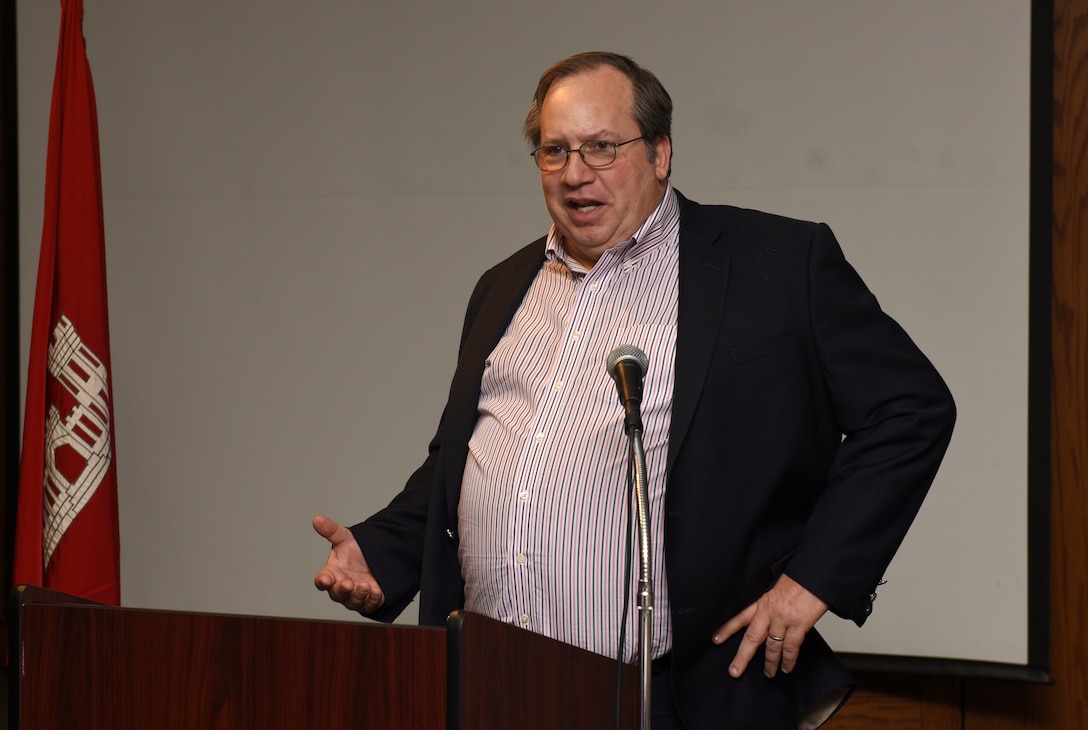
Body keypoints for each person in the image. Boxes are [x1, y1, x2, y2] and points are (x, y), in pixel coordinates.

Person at [313, 51, 955, 729]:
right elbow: (466, 458)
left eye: (601, 147)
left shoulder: (776, 264)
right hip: (491, 688)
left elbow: (909, 409)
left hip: (671, 699)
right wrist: (380, 550)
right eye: (553, 150)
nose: (575, 173)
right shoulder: (502, 286)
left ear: (660, 153)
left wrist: (813, 582)